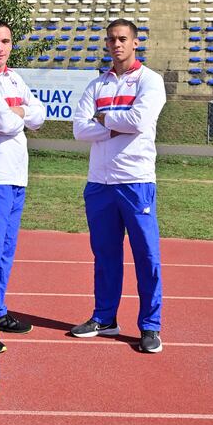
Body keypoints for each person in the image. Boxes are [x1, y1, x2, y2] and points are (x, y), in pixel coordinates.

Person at [70, 18, 166, 353]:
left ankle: (150, 325)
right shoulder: (98, 84)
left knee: (146, 255)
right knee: (105, 255)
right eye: (112, 39)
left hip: (136, 181)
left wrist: (103, 119)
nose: (117, 44)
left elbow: (140, 120)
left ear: (135, 42)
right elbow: (79, 129)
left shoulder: (150, 81)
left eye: (123, 38)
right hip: (100, 182)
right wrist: (114, 126)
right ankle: (105, 318)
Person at [0, 20, 47, 336]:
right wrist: (22, 114)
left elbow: (41, 115)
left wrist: (22, 113)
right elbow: (4, 123)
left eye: (5, 41)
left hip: (17, 174)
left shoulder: (14, 78)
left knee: (5, 249)